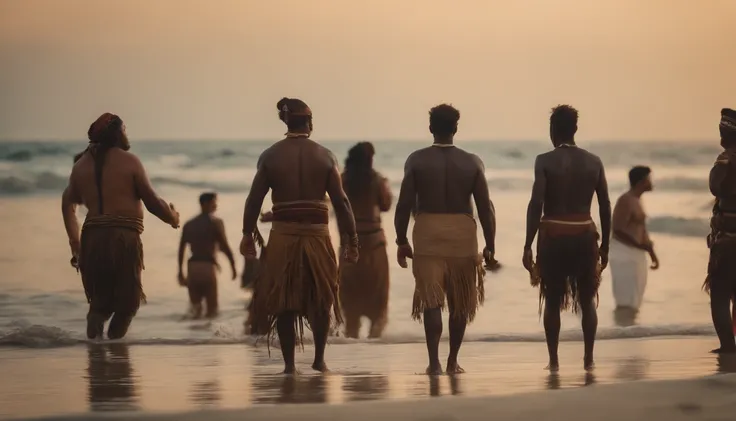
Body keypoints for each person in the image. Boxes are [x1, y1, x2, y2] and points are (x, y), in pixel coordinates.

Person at [240, 97, 359, 373]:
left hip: (282, 236)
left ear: (285, 121)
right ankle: (319, 360)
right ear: (310, 121)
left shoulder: (270, 156)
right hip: (318, 236)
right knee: (321, 298)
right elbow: (341, 203)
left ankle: (290, 365)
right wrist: (352, 240)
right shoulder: (326, 156)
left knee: (283, 301)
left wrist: (247, 234)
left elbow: (254, 200)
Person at [394, 104, 498, 375]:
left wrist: (401, 240)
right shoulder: (472, 162)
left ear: (431, 128)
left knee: (432, 301)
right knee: (460, 300)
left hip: (427, 230)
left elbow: (404, 204)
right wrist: (490, 243)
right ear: (455, 128)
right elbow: (485, 207)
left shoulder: (416, 160)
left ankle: (434, 363)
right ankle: (453, 361)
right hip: (463, 233)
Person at [61, 113, 180, 340]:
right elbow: (153, 202)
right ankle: (114, 347)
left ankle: (95, 348)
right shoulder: (130, 161)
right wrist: (172, 217)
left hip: (92, 239)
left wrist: (75, 244)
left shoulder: (80, 166)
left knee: (100, 303)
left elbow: (67, 205)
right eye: (124, 129)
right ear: (116, 134)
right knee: (128, 304)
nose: (127, 134)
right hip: (122, 239)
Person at [522, 105, 611, 371]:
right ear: (575, 129)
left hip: (553, 236)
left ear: (553, 130)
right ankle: (589, 358)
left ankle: (554, 361)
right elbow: (605, 205)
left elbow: (536, 202)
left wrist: (527, 244)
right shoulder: (594, 161)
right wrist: (605, 244)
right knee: (587, 300)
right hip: (584, 234)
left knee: (551, 300)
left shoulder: (544, 161)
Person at [340, 142, 392, 339]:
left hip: (349, 246)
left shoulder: (342, 181)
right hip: (374, 245)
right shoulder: (377, 180)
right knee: (378, 307)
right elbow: (386, 204)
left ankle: (353, 357)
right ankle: (372, 355)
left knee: (350, 309)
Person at [705, 108, 736, 354]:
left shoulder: (726, 158)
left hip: (728, 242)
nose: (720, 136)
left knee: (720, 293)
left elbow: (716, 188)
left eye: (722, 131)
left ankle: (727, 345)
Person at [177, 192, 237, 319]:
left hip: (192, 268)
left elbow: (181, 249)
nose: (216, 205)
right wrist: (233, 266)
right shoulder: (216, 222)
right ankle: (207, 337)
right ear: (206, 203)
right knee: (212, 311)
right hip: (208, 267)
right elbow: (224, 246)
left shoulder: (189, 224)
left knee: (195, 309)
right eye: (214, 202)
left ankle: (193, 337)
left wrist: (180, 272)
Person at [609, 166, 659, 312]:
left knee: (636, 297)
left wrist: (651, 253)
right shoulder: (626, 200)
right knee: (626, 299)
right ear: (641, 181)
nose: (651, 182)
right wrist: (639, 245)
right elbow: (617, 229)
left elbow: (641, 230)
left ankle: (629, 328)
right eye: (649, 179)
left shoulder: (637, 200)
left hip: (636, 253)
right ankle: (624, 330)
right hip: (623, 253)